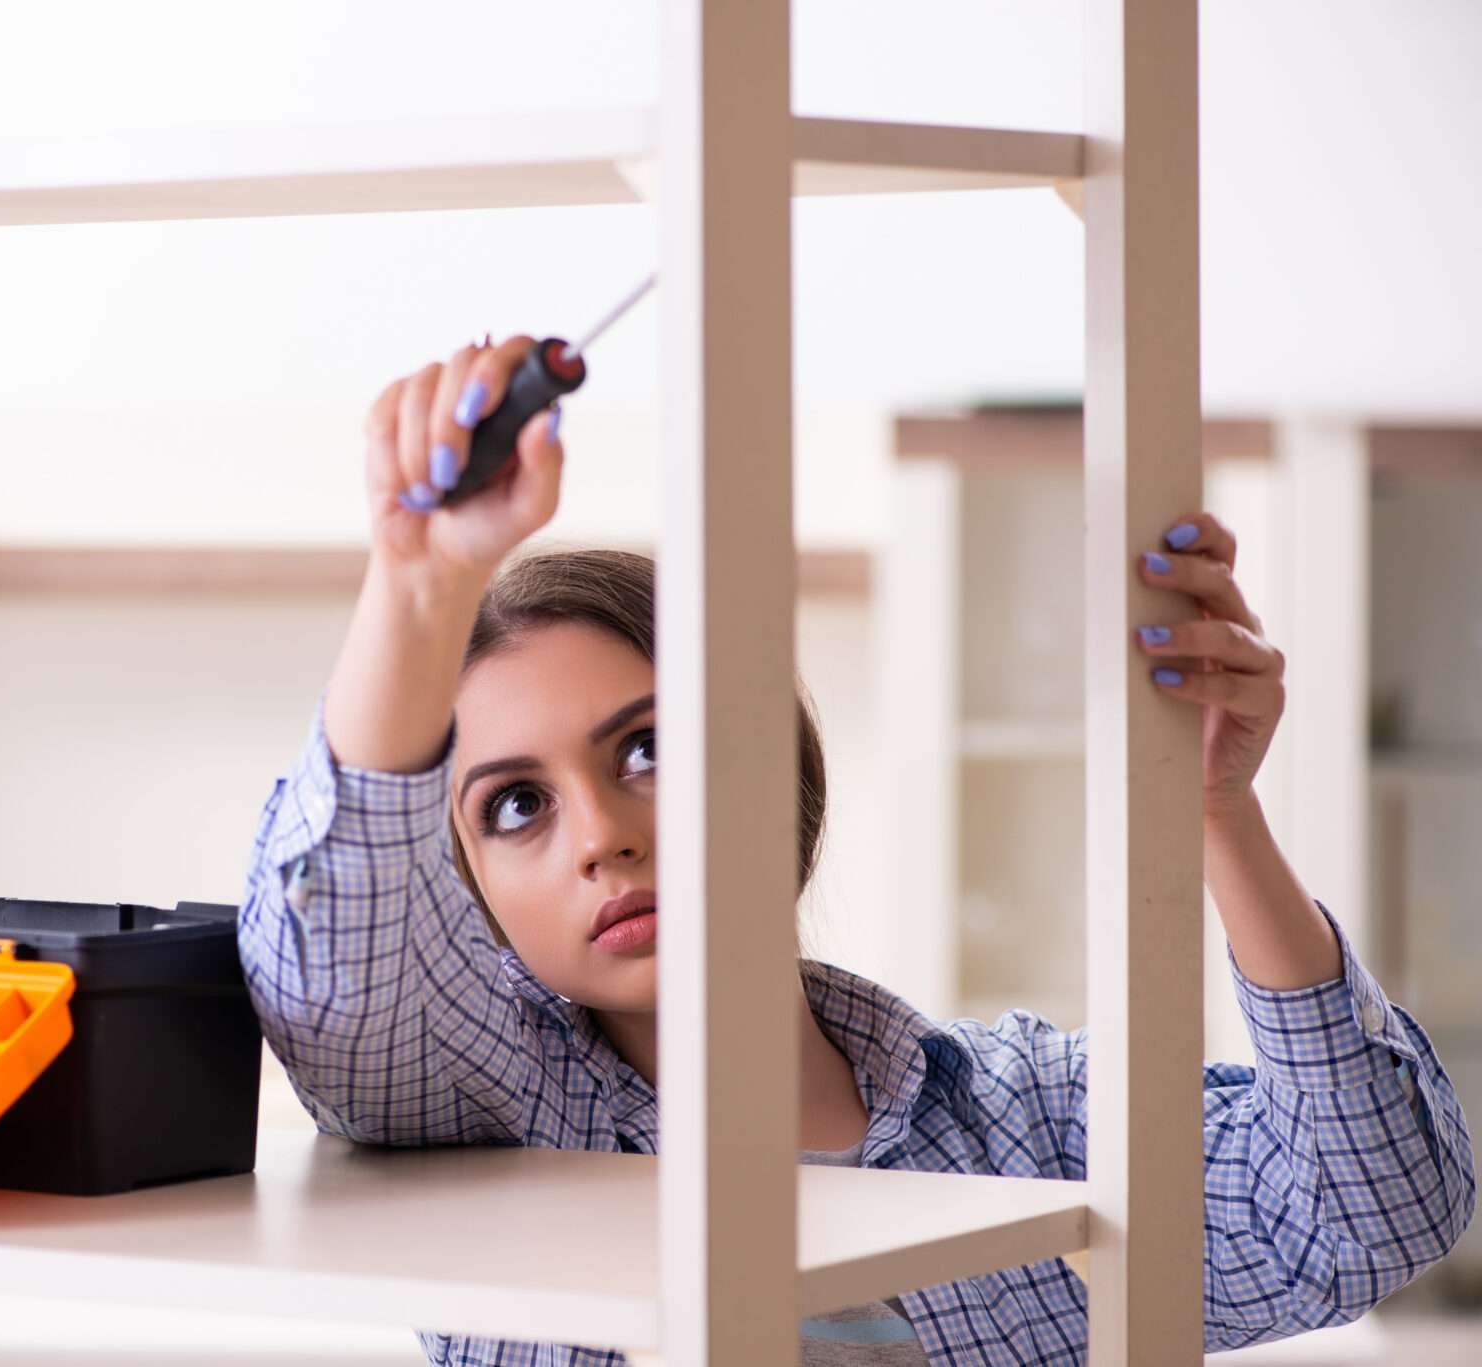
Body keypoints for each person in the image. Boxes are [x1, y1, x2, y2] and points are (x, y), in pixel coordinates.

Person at [236, 336, 1476, 1365]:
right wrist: (417, 584)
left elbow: (1372, 1211)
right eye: (515, 806)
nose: (603, 834)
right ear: (472, 891)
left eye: (646, 748)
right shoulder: (487, 1130)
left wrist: (1213, 808)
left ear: (769, 764)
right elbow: (330, 963)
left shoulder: (1024, 1118)